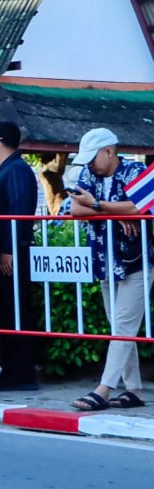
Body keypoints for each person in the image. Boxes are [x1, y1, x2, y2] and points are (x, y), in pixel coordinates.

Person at [67, 128, 150, 410]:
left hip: (136, 260)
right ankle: (135, 390)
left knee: (123, 327)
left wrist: (98, 205)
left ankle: (104, 389)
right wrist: (116, 213)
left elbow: (142, 208)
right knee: (118, 327)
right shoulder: (88, 175)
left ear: (109, 152)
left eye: (93, 157)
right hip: (103, 259)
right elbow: (75, 210)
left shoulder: (136, 171)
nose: (89, 164)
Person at [0, 121, 40, 391]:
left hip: (11, 252)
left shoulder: (17, 170)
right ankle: (10, 368)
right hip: (1, 250)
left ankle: (20, 371)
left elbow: (19, 213)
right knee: (3, 310)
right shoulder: (7, 170)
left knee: (14, 310)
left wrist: (8, 251)